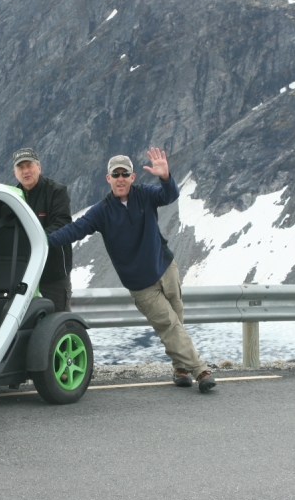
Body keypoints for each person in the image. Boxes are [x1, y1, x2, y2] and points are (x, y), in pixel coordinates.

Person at [47, 148, 216, 392]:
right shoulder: (101, 211)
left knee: (176, 320)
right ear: (108, 179)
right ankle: (201, 371)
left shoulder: (145, 195)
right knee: (169, 324)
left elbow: (170, 196)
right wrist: (43, 240)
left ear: (132, 177)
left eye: (125, 173)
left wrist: (165, 177)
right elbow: (73, 230)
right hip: (141, 286)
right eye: (115, 174)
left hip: (166, 268)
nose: (120, 178)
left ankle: (180, 369)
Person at [12, 147, 74, 312]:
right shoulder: (13, 197)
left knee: (58, 323)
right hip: (24, 275)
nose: (26, 171)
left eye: (29, 165)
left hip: (53, 274)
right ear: (15, 172)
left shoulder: (56, 191)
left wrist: (32, 239)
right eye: (20, 167)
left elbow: (63, 224)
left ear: (39, 167)